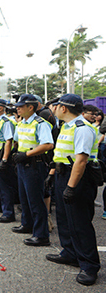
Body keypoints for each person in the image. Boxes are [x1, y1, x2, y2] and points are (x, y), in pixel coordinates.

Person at [45, 94, 100, 286]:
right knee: (64, 218)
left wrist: (70, 187)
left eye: (56, 105)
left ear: (64, 108)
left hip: (77, 178)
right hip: (63, 174)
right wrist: (52, 174)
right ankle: (69, 253)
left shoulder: (82, 128)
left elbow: (81, 160)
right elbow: (62, 154)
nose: (54, 108)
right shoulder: (66, 127)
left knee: (79, 223)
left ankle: (89, 266)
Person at [12, 94, 54, 247]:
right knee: (24, 198)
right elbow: (17, 140)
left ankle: (41, 235)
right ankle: (27, 224)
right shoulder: (22, 123)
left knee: (36, 201)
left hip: (34, 164)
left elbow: (48, 145)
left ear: (31, 107)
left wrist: (27, 154)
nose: (17, 109)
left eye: (20, 106)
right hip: (23, 164)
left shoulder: (40, 123)